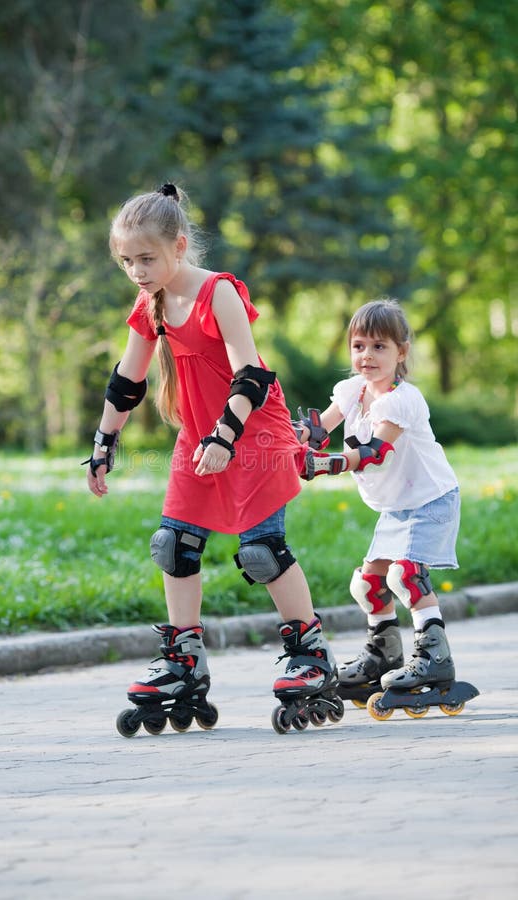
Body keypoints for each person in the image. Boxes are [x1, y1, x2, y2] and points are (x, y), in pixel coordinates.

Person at [85, 182, 338, 734]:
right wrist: (104, 444)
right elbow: (127, 380)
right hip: (199, 436)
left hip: (253, 431)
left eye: (146, 258)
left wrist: (224, 438)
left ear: (179, 246)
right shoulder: (150, 303)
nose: (137, 270)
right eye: (126, 260)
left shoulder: (218, 292)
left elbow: (252, 373)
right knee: (173, 544)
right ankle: (183, 660)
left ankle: (311, 652)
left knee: (261, 552)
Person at [295, 298, 461, 702]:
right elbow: (319, 428)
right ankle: (383, 656)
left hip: (431, 500)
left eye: (379, 346)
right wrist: (293, 440)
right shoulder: (353, 391)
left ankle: (435, 657)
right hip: (396, 506)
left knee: (404, 575)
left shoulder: (402, 399)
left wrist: (324, 465)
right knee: (367, 583)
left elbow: (374, 451)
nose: (366, 355)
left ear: (401, 352)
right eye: (358, 346)